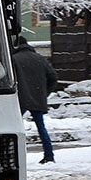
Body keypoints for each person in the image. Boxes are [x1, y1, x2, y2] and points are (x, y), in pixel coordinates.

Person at [12, 35, 58, 164]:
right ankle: (49, 155)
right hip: (38, 98)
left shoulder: (14, 59)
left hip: (21, 99)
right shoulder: (40, 59)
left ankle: (15, 157)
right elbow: (53, 78)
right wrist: (44, 93)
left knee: (15, 129)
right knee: (41, 128)